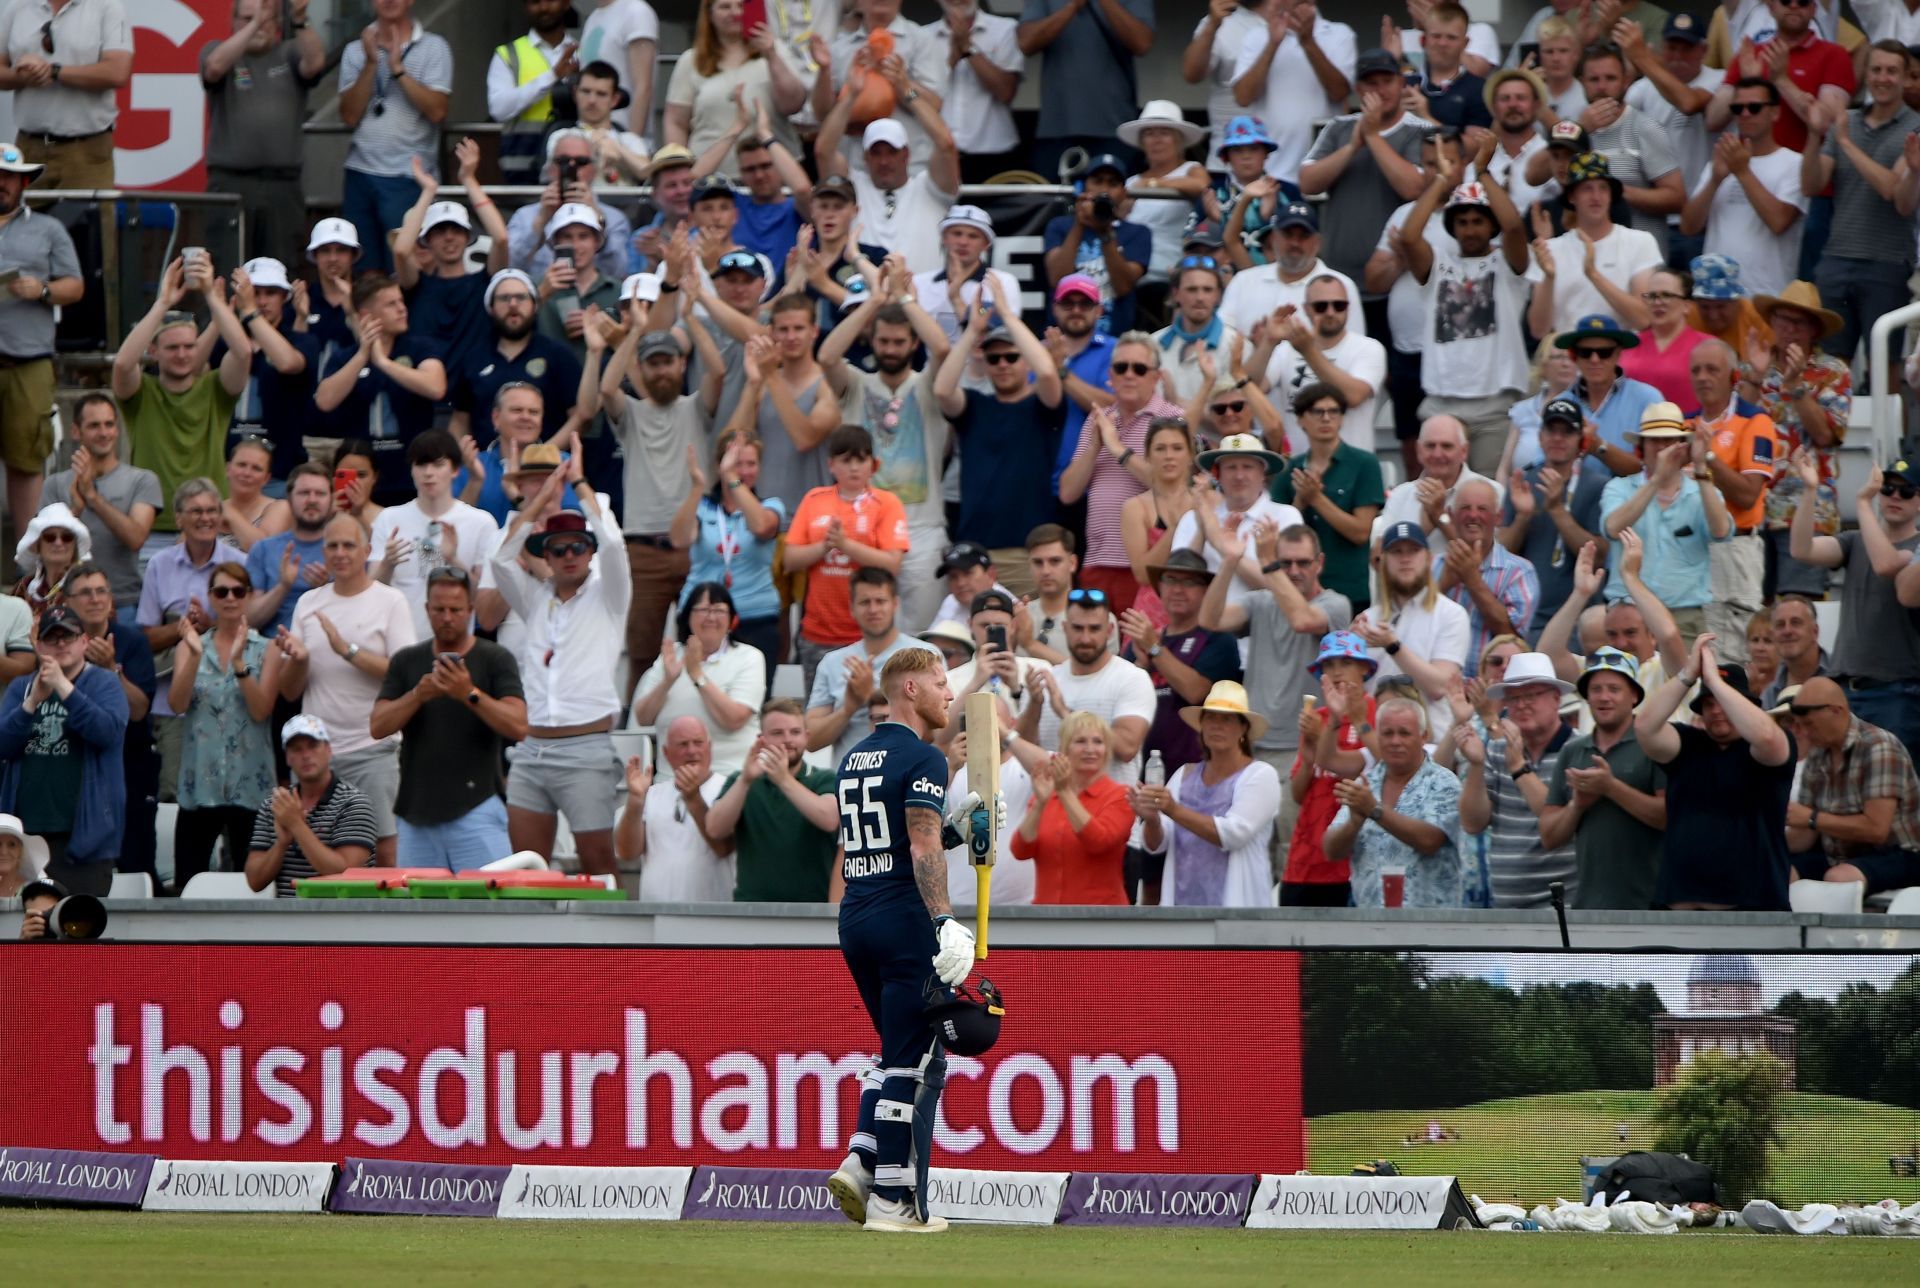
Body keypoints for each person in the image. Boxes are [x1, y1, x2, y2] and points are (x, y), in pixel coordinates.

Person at [824, 644, 986, 1233]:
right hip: (902, 920)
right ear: (910, 690)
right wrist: (944, 918)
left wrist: (949, 834)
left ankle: (861, 1162)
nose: (950, 694)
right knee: (911, 1062)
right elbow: (917, 848)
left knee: (895, 1050)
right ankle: (890, 1198)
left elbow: (892, 845)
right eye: (941, 683)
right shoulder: (925, 758)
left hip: (855, 918)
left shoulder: (853, 758)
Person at [491, 456, 629, 875]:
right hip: (532, 748)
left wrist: (580, 483)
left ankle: (609, 945)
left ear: (589, 552)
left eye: (578, 547)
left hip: (587, 747)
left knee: (598, 862)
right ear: (546, 556)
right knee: (526, 868)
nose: (570, 555)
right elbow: (500, 559)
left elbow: (615, 542)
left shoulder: (610, 596)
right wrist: (538, 503)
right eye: (558, 549)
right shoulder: (535, 598)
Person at [278, 513, 415, 867]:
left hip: (373, 749)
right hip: (317, 754)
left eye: (349, 545)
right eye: (332, 546)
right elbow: (289, 691)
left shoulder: (391, 601)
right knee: (307, 852)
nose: (340, 553)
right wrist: (298, 660)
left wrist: (347, 651)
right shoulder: (308, 603)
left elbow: (404, 676)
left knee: (384, 849)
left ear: (368, 550)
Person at [371, 566, 527, 872]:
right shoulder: (406, 661)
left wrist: (468, 693)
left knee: (488, 911)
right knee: (420, 912)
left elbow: (519, 726)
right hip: (415, 814)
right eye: (439, 609)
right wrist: (418, 694)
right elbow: (377, 726)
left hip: (477, 809)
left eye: (455, 609)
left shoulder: (495, 658)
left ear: (470, 610)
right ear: (426, 609)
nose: (446, 617)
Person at [601, 318, 722, 697]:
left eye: (668, 361)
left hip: (696, 549)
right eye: (653, 362)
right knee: (640, 651)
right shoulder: (631, 415)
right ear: (641, 368)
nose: (662, 369)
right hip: (642, 550)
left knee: (703, 649)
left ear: (681, 364)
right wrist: (634, 332)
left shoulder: (696, 408)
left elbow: (718, 370)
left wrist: (689, 312)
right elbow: (607, 387)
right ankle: (636, 729)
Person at [1635, 634, 1795, 909]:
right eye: (1708, 705)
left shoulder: (1767, 746)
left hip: (1753, 911)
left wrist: (1716, 684)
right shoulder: (1688, 744)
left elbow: (1767, 737)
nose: (1716, 711)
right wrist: (1688, 675)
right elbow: (1645, 728)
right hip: (1678, 909)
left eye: (1722, 702)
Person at [1399, 161, 1533, 478]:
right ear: (1452, 227)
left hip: (1496, 404)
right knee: (1437, 494)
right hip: (1441, 400)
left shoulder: (1507, 265)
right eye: (1462, 222)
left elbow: (1514, 226)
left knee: (1488, 496)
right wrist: (1443, 180)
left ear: (1491, 226)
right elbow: (1408, 237)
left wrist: (1484, 171)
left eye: (1478, 221)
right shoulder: (1438, 266)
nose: (1470, 229)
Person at [112, 256, 251, 544]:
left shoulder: (215, 390)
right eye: (172, 347)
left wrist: (212, 296)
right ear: (154, 351)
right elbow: (123, 365)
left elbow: (243, 353)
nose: (182, 354)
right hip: (153, 526)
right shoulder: (143, 393)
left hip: (210, 524)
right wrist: (162, 302)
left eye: (189, 346)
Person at [165, 560, 281, 892]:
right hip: (200, 783)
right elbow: (176, 704)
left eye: (238, 591)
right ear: (211, 597)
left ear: (249, 596)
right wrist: (195, 653)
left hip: (251, 784)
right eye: (221, 591)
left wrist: (241, 665)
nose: (230, 598)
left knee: (255, 887)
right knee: (188, 882)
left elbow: (261, 711)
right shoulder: (189, 645)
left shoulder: (267, 649)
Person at [1802, 39, 1918, 365]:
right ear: (1865, 74)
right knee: (1830, 369)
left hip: (1887, 262)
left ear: (1906, 77)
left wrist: (1846, 144)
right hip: (1836, 258)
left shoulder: (1916, 127)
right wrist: (1814, 136)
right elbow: (1811, 184)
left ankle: (1893, 420)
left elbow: (1893, 190)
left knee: (1887, 367)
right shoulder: (1847, 122)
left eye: (1892, 71)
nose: (1883, 78)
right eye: (1877, 69)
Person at [937, 295, 1066, 587]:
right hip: (975, 551)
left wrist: (1008, 316)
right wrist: (971, 332)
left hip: (1029, 552)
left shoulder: (1043, 406)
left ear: (1025, 359)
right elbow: (943, 391)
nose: (1003, 364)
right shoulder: (974, 405)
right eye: (994, 358)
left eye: (1012, 356)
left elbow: (1046, 371)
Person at [0, 604, 127, 894]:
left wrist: (63, 688)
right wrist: (30, 705)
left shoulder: (105, 683)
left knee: (77, 934)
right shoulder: (22, 688)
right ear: (39, 645)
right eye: (52, 638)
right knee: (22, 934)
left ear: (84, 641)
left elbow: (107, 733)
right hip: (24, 838)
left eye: (68, 637)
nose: (60, 644)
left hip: (83, 840)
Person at [1058, 339, 1184, 611]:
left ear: (1156, 377)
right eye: (1121, 367)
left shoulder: (1173, 419)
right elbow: (1068, 492)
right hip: (1097, 561)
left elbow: (1171, 485)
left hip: (1149, 564)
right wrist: (1095, 445)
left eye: (1139, 368)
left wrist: (1117, 448)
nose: (1129, 374)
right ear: (1110, 376)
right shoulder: (1098, 419)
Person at [1132, 679, 1281, 907]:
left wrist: (1172, 809)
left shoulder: (1261, 775)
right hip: (1182, 909)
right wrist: (1152, 819)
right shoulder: (1183, 774)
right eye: (1210, 717)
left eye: (1227, 719)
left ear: (1243, 728)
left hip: (1237, 913)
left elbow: (1233, 834)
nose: (1216, 725)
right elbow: (1155, 845)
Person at [137, 479, 243, 797]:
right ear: (179, 518)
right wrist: (182, 629)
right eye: (195, 511)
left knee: (227, 795)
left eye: (212, 510)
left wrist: (211, 624)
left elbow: (249, 635)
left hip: (227, 701)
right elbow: (145, 638)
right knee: (174, 792)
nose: (205, 518)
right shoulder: (159, 564)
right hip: (172, 707)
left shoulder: (240, 565)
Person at [1539, 648, 1667, 909]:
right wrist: (1577, 805)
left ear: (1634, 695)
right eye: (1596, 689)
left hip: (1651, 905)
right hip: (1588, 905)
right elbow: (1549, 837)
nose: (1604, 697)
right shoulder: (1573, 751)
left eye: (1614, 689)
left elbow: (1669, 817)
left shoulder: (1655, 744)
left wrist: (1611, 787)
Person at [333, 0, 453, 272]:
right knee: (364, 273)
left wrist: (398, 68)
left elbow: (437, 111)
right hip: (360, 174)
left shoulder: (434, 47)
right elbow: (350, 115)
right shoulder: (355, 50)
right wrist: (371, 63)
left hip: (408, 178)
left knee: (405, 269)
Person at [1300, 46, 1431, 292]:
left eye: (1387, 81)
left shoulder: (1420, 130)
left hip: (1398, 277)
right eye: (1371, 83)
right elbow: (1307, 182)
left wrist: (1372, 136)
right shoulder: (1338, 127)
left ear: (1401, 82)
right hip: (1339, 280)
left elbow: (1413, 188)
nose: (1381, 90)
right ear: (1358, 89)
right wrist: (1351, 147)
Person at [786, 426, 909, 684]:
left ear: (873, 465)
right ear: (831, 465)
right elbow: (789, 559)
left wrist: (846, 544)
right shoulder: (814, 500)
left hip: (869, 635)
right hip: (818, 632)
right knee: (819, 711)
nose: (854, 468)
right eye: (846, 460)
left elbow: (893, 564)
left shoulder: (887, 503)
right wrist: (824, 547)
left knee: (874, 710)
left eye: (861, 459)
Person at [312, 273, 449, 503]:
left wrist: (384, 363)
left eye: (401, 301)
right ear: (367, 315)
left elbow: (436, 387)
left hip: (411, 478)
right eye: (391, 304)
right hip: (360, 483)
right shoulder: (344, 356)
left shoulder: (420, 347)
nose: (402, 309)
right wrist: (363, 355)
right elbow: (324, 401)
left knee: (414, 541)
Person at [1455, 651, 1577, 907]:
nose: (1522, 704)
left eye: (1531, 695)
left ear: (1556, 699)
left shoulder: (1578, 749)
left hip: (1565, 906)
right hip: (1508, 906)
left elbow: (1557, 822)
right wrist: (1476, 765)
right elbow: (1472, 823)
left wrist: (1518, 767)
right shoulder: (1497, 750)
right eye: (1514, 698)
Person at [1600, 402, 1731, 639]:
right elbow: (1612, 527)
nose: (1662, 448)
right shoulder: (1619, 487)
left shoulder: (1702, 490)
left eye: (1669, 441)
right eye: (1654, 441)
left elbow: (1721, 531)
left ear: (1683, 447)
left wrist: (1701, 467)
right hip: (1628, 615)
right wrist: (1656, 479)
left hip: (1684, 616)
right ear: (1641, 447)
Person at [63, 561, 156, 886]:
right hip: (77, 764)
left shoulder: (132, 642)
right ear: (67, 602)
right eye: (85, 593)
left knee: (136, 859)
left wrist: (111, 668)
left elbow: (139, 711)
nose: (95, 599)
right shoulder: (60, 644)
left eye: (101, 591)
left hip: (130, 763)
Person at [812, 72, 961, 274]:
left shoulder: (930, 188)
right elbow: (823, 150)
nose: (884, 161)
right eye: (876, 153)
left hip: (922, 300)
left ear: (906, 154)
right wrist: (852, 96)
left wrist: (907, 92)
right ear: (866, 157)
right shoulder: (852, 188)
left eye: (892, 152)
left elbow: (946, 144)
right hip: (864, 300)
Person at [1687, 338, 1777, 665]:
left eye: (1712, 369)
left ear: (1733, 376)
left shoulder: (1755, 422)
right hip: (1688, 551)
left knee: (1736, 657)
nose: (1702, 377)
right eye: (1696, 370)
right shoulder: (1684, 424)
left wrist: (1707, 457)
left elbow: (1748, 493)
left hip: (1735, 549)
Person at [1323, 697, 1464, 908]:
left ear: (1423, 736)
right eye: (1387, 733)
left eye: (1404, 733)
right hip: (1371, 927)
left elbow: (1430, 840)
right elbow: (1331, 851)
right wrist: (1353, 824)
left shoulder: (1444, 782)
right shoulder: (1365, 784)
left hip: (1431, 927)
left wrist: (1375, 810)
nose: (1395, 741)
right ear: (1377, 737)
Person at [1788, 676, 1920, 895]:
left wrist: (1812, 818)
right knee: (1778, 870)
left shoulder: (1879, 747)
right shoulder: (1817, 754)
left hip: (1900, 854)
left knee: (1840, 879)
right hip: (1840, 857)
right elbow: (1804, 837)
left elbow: (1877, 830)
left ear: (1836, 711)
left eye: (1809, 724)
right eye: (1800, 725)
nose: (1805, 732)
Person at [0, 144, 76, 525]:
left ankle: (25, 572)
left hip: (28, 363)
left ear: (23, 182)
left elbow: (76, 287)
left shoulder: (50, 229)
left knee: (27, 463)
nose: (1, 184)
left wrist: (43, 290)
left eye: (8, 177)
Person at [1119, 549, 1243, 780]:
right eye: (1171, 580)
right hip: (1142, 771)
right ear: (1160, 588)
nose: (1177, 589)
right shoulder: (1142, 641)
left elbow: (1195, 691)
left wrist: (1155, 648)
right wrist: (1142, 666)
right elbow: (1121, 700)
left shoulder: (1218, 639)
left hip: (1196, 772)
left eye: (1189, 582)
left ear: (1206, 590)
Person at [1678, 77, 1807, 299]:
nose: (1745, 114)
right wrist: (1715, 180)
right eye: (1738, 108)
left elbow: (1779, 221)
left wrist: (1743, 172)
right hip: (1715, 297)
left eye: (1754, 107)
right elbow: (1688, 227)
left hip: (1766, 295)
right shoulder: (1719, 162)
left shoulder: (1794, 164)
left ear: (1775, 113)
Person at [669, 431, 784, 678]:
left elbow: (762, 527)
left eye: (750, 464)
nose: (743, 470)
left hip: (755, 615)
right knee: (694, 686)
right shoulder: (703, 506)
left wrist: (731, 477)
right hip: (701, 615)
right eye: (736, 463)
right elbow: (679, 539)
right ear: (719, 464)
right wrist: (697, 489)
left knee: (752, 695)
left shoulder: (770, 506)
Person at [389, 147, 510, 379]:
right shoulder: (416, 286)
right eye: (439, 231)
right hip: (426, 397)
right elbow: (402, 252)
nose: (449, 237)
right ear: (427, 241)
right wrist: (428, 191)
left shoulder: (485, 283)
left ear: (467, 237)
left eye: (456, 230)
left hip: (473, 398)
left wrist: (469, 180)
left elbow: (502, 239)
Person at [369, 431, 502, 640]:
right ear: (411, 470)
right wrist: (388, 563)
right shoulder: (388, 518)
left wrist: (453, 560)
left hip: (456, 645)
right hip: (399, 645)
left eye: (438, 465)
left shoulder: (482, 522)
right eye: (420, 465)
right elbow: (372, 595)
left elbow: (482, 601)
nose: (428, 473)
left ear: (455, 470)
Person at [705, 697, 841, 900]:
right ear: (761, 739)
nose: (787, 740)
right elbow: (715, 828)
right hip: (752, 911)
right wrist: (744, 780)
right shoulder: (742, 780)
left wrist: (784, 780)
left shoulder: (824, 778)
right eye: (777, 733)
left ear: (806, 736)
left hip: (812, 912)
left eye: (795, 732)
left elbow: (830, 819)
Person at [1269, 383, 1385, 615]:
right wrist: (1301, 502)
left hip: (1349, 590)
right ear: (1301, 420)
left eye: (1334, 412)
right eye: (1317, 412)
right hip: (1297, 591)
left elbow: (1361, 532)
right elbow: (1277, 537)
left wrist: (1316, 498)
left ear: (1342, 419)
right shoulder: (1289, 470)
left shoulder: (1364, 464)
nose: (1326, 418)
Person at [631, 580, 767, 777]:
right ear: (688, 617)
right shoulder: (670, 656)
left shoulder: (749, 657)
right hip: (672, 778)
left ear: (732, 619)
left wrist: (697, 676)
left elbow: (735, 719)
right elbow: (643, 718)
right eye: (703, 610)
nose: (711, 617)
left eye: (719, 610)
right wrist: (668, 681)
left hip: (731, 775)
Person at [1499, 396, 1609, 640]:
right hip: (1527, 618)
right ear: (1540, 436)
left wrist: (1557, 510)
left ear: (1580, 440)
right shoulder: (1522, 482)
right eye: (1551, 430)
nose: (1558, 438)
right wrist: (1523, 517)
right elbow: (1501, 555)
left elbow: (1599, 556)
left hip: (1579, 623)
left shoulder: (1597, 486)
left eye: (1567, 432)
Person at [40, 394, 158, 621]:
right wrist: (75, 508)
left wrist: (93, 497)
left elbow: (135, 538)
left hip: (124, 603)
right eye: (94, 426)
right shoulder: (54, 484)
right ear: (76, 431)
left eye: (109, 424)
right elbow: (44, 547)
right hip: (65, 604)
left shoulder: (142, 480)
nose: (104, 433)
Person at [1019, 589, 1155, 783]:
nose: (1085, 638)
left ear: (1109, 631)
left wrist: (1066, 713)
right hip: (1050, 808)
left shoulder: (1132, 678)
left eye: (1094, 629)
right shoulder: (1046, 679)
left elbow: (1126, 749)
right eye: (1077, 628)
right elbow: (1022, 754)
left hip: (1111, 809)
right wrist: (1034, 706)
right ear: (1065, 628)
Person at [1525, 153, 1665, 336]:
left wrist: (1593, 274)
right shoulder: (1550, 250)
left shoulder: (1640, 241)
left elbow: (1643, 319)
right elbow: (1538, 330)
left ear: (1611, 195)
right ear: (1571, 197)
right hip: (1569, 357)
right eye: (1587, 189)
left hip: (1622, 356)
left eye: (1603, 188)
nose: (1596, 196)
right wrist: (1549, 277)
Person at [1015, 0, 1156, 181]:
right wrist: (1071, 7)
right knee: (1055, 204)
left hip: (1114, 129)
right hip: (1058, 128)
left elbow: (1142, 43)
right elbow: (1026, 43)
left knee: (1111, 204)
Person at [1357, 519, 1470, 740]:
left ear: (1428, 558)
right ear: (1383, 562)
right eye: (1397, 552)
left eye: (1414, 550)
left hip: (1432, 745)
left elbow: (1440, 687)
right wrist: (1349, 653)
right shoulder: (1368, 619)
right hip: (1376, 743)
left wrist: (1393, 646)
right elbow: (1356, 691)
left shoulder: (1451, 614)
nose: (1405, 559)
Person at [1229, 0, 1358, 192]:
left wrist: (1308, 42)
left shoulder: (1339, 34)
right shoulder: (1256, 37)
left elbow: (1339, 92)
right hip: (1270, 174)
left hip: (1323, 172)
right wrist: (1272, 44)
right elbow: (1243, 97)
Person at [0, 0, 132, 187]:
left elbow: (117, 72)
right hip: (29, 146)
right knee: (24, 215)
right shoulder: (17, 7)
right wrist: (23, 76)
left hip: (86, 150)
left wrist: (53, 71)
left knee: (87, 215)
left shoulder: (107, 6)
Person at [1251, 275, 1386, 458]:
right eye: (1321, 306)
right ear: (1307, 309)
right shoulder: (1286, 351)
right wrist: (1269, 342)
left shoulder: (1369, 348)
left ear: (1348, 307)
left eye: (1339, 305)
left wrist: (1308, 351)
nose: (1330, 312)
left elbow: (1353, 396)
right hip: (1297, 468)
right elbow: (1251, 388)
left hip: (1352, 468)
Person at [243, 715, 379, 896]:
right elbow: (254, 881)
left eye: (313, 746)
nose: (306, 755)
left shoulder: (354, 803)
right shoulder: (275, 805)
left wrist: (297, 826)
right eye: (296, 749)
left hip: (343, 917)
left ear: (329, 750)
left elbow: (345, 874)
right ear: (287, 758)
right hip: (287, 917)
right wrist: (281, 845)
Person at [1286, 631, 1374, 907]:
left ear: (1364, 669)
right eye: (1329, 664)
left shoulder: (1377, 713)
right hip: (1305, 859)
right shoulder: (1317, 717)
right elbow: (1298, 795)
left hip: (1354, 862)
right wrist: (1309, 755)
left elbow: (1379, 770)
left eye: (1345, 663)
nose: (1336, 672)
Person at [448, 269, 584, 447]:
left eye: (521, 297)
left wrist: (543, 455)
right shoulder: (472, 358)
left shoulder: (558, 355)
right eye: (504, 298)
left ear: (535, 305)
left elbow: (580, 418)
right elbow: (460, 421)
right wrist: (467, 464)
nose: (513, 304)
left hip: (547, 468)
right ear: (491, 307)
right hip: (487, 469)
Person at [1010, 707, 1133, 905]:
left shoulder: (1119, 796)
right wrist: (1040, 804)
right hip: (1048, 918)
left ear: (1107, 749)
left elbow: (1098, 842)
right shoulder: (1048, 793)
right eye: (1080, 741)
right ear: (1064, 749)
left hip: (1102, 918)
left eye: (1098, 742)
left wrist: (1064, 791)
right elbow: (1020, 850)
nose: (1090, 749)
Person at [666, 0, 807, 169]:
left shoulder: (776, 49)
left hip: (772, 173)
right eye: (725, 7)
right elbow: (676, 122)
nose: (735, 13)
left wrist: (771, 56)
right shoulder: (691, 61)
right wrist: (678, 167)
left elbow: (793, 105)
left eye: (742, 6)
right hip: (710, 176)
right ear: (709, 14)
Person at [806, 567, 922, 765]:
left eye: (880, 601)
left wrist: (871, 696)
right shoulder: (832, 662)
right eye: (864, 602)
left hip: (906, 773)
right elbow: (810, 740)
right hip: (850, 780)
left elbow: (938, 730)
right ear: (851, 608)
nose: (873, 609)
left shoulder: (924, 655)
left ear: (895, 603)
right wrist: (848, 709)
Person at [1175, 435, 1305, 610]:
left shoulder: (1286, 516)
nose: (1239, 475)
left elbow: (1284, 587)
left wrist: (1221, 545)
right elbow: (1178, 580)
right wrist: (1203, 525)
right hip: (1206, 632)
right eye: (1231, 468)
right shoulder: (1192, 518)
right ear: (1218, 475)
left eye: (1248, 467)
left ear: (1263, 474)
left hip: (1263, 630)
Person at [615, 714, 734, 898]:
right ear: (666, 753)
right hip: (656, 917)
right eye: (683, 744)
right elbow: (627, 852)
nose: (692, 751)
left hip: (712, 917)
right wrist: (636, 800)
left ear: (709, 748)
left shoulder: (729, 790)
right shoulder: (652, 794)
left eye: (698, 743)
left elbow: (723, 848)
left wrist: (693, 798)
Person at [1041, 153, 1153, 336]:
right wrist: (1080, 222)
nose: (1104, 190)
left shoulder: (1138, 232)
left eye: (1112, 184)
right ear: (1085, 186)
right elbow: (1057, 278)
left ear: (1123, 193)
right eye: (1098, 181)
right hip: (1062, 337)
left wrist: (1105, 231)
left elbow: (1123, 287)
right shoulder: (1059, 226)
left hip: (1114, 339)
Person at [1436, 479, 1540, 672]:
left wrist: (1472, 580)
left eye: (1482, 509)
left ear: (1498, 517)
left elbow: (1512, 638)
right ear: (1451, 515)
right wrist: (1443, 583)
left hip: (1492, 686)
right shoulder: (1433, 566)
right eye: (1465, 508)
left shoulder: (1519, 571)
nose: (1473, 515)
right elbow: (1412, 619)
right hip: (1437, 682)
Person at [487, 0, 584, 182]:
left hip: (576, 166)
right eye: (535, 2)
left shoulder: (583, 52)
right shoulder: (508, 54)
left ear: (566, 3)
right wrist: (552, 76)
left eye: (551, 0)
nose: (544, 7)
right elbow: (498, 109)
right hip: (522, 169)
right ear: (525, 7)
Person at [932, 0, 1024, 184]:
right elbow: (916, 97)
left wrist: (969, 48)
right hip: (938, 155)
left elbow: (1006, 92)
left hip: (994, 156)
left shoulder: (1005, 29)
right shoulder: (922, 36)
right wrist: (951, 61)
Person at [1557, 314, 1665, 467]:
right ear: (1575, 356)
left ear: (1618, 354)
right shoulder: (1560, 404)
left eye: (1604, 352)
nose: (1595, 359)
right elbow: (1548, 464)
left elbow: (1656, 469)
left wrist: (1598, 446)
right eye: (1585, 352)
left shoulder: (1648, 399)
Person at [1377, 414, 1500, 545]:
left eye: (1446, 446)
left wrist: (1439, 517)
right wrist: (1422, 531)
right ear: (1418, 450)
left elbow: (1489, 559)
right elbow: (1380, 557)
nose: (1437, 454)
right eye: (1430, 446)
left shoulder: (1493, 492)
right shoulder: (1400, 495)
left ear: (1464, 451)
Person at [1117, 420, 1198, 618]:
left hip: (1200, 609)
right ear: (1148, 456)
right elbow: (1143, 574)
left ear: (1190, 455)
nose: (1169, 456)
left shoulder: (1210, 501)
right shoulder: (1135, 508)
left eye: (1177, 448)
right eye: (1160, 449)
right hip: (1153, 612)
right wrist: (1176, 527)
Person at [243, 463, 333, 636]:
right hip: (273, 648)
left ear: (331, 499)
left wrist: (326, 590)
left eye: (320, 493)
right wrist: (283, 586)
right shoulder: (263, 549)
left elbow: (359, 612)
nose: (312, 500)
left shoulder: (345, 549)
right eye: (304, 493)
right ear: (289, 498)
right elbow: (249, 620)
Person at [578, 0, 660, 138]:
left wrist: (633, 144)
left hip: (623, 138)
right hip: (591, 138)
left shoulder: (636, 12)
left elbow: (644, 87)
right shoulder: (593, 17)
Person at [10, 501, 84, 618]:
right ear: (38, 545)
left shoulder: (88, 584)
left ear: (74, 546)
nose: (59, 543)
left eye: (67, 537)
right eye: (50, 537)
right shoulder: (24, 587)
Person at [219, 437, 289, 554]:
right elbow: (182, 552)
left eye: (256, 468)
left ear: (266, 478)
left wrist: (231, 514)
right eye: (242, 465)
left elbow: (263, 552)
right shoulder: (212, 509)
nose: (247, 473)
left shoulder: (279, 508)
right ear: (228, 469)